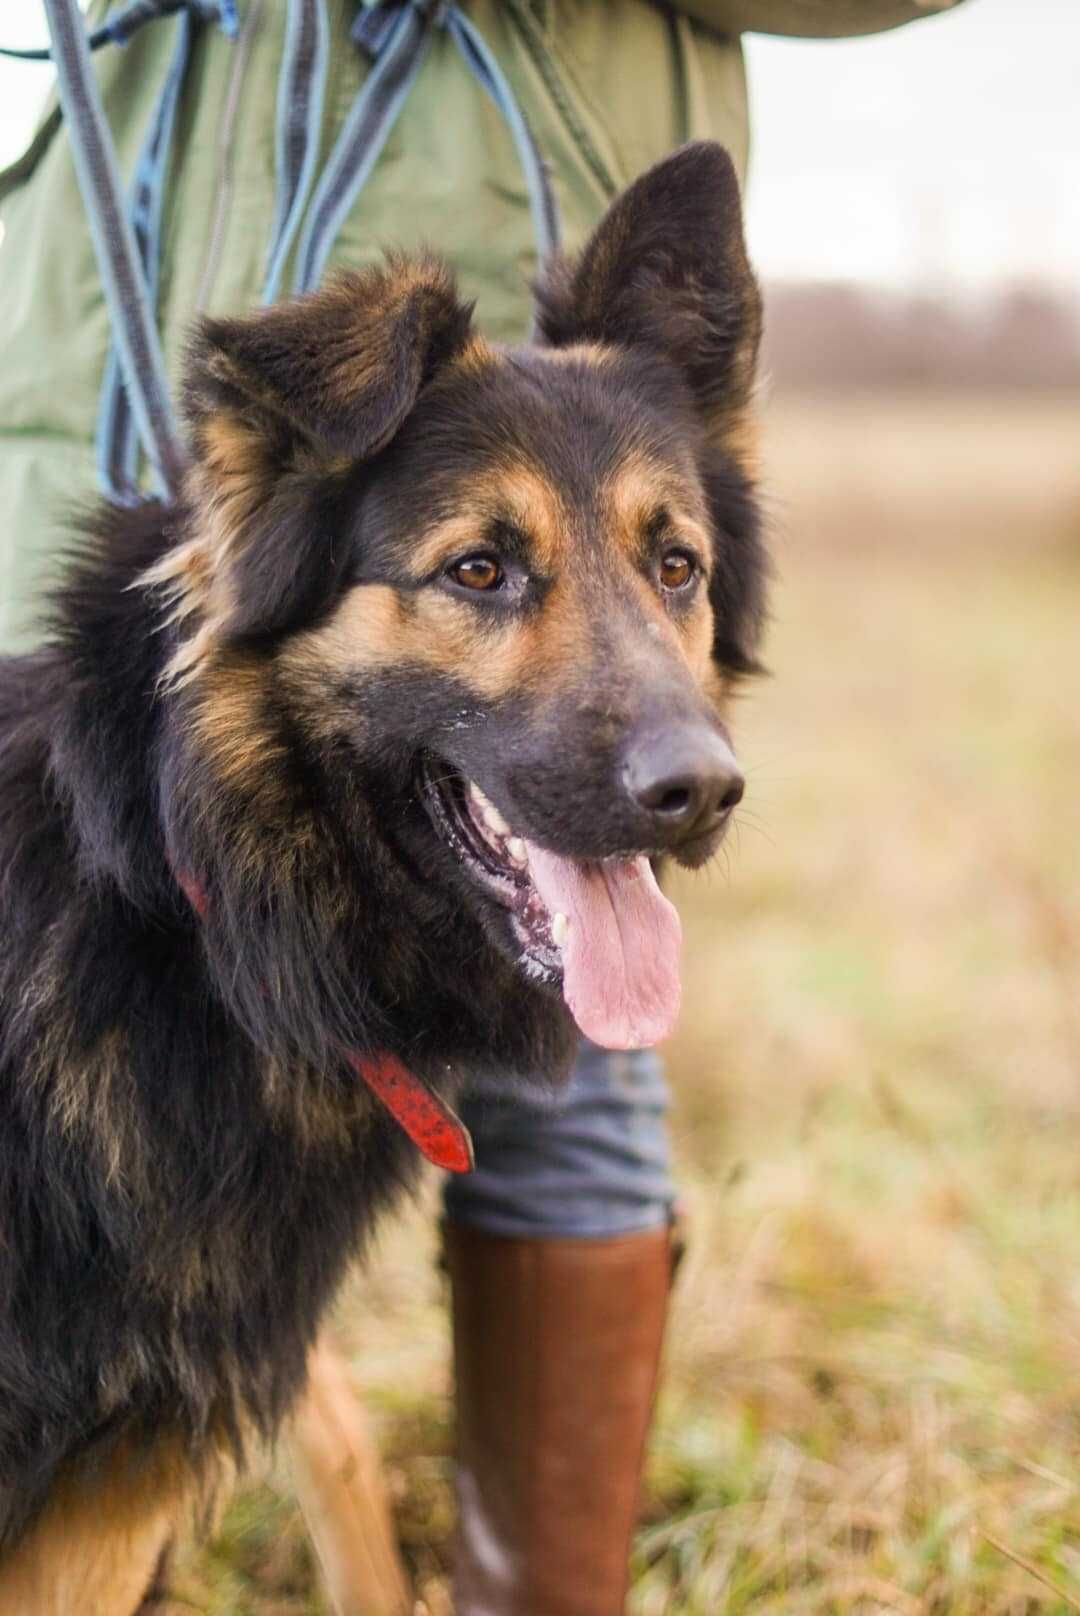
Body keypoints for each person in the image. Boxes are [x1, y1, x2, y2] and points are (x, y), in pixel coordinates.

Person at [0, 1, 964, 1610]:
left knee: (536, 1104)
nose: (664, 712)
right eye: (486, 574)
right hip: (130, 278)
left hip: (502, 159)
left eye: (673, 572)